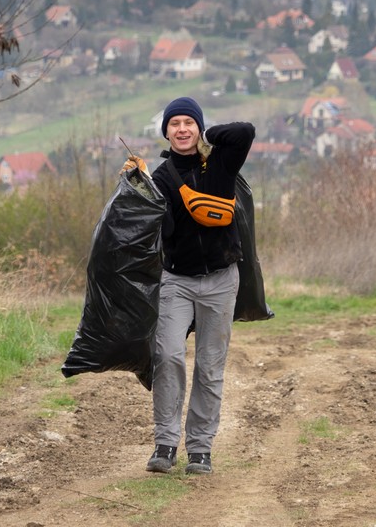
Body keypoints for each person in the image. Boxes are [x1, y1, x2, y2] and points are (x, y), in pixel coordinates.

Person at [126, 96, 255, 476]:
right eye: (174, 124)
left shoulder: (221, 162)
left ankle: (200, 449)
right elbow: (154, 226)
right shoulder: (162, 177)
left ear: (198, 127)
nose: (181, 129)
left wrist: (208, 138)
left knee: (210, 367)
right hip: (176, 280)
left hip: (221, 280)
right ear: (165, 132)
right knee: (167, 356)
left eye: (188, 122)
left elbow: (245, 132)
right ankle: (165, 444)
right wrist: (138, 187)